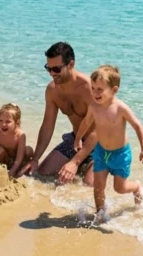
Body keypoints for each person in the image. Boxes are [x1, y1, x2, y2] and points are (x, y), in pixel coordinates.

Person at [73, 65, 143, 216]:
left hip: (120, 154)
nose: (95, 93)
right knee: (98, 187)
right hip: (101, 152)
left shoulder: (120, 108)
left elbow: (137, 126)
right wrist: (77, 139)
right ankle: (100, 213)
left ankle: (136, 187)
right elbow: (86, 123)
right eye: (93, 88)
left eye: (100, 89)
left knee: (119, 188)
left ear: (114, 90)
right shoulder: (94, 106)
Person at [25, 42, 97, 185]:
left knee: (89, 187)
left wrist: (74, 163)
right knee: (42, 175)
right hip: (75, 141)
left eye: (56, 69)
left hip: (101, 145)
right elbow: (47, 126)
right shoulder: (52, 91)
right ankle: (81, 165)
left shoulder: (89, 88)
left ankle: (83, 165)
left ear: (70, 65)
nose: (52, 73)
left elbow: (98, 129)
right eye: (48, 68)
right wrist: (35, 159)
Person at [0, 103, 33, 178]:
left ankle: (23, 170)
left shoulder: (20, 135)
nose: (3, 124)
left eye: (7, 122)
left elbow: (19, 157)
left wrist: (12, 171)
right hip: (4, 162)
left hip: (18, 162)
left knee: (29, 150)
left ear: (17, 123)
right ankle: (1, 170)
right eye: (0, 120)